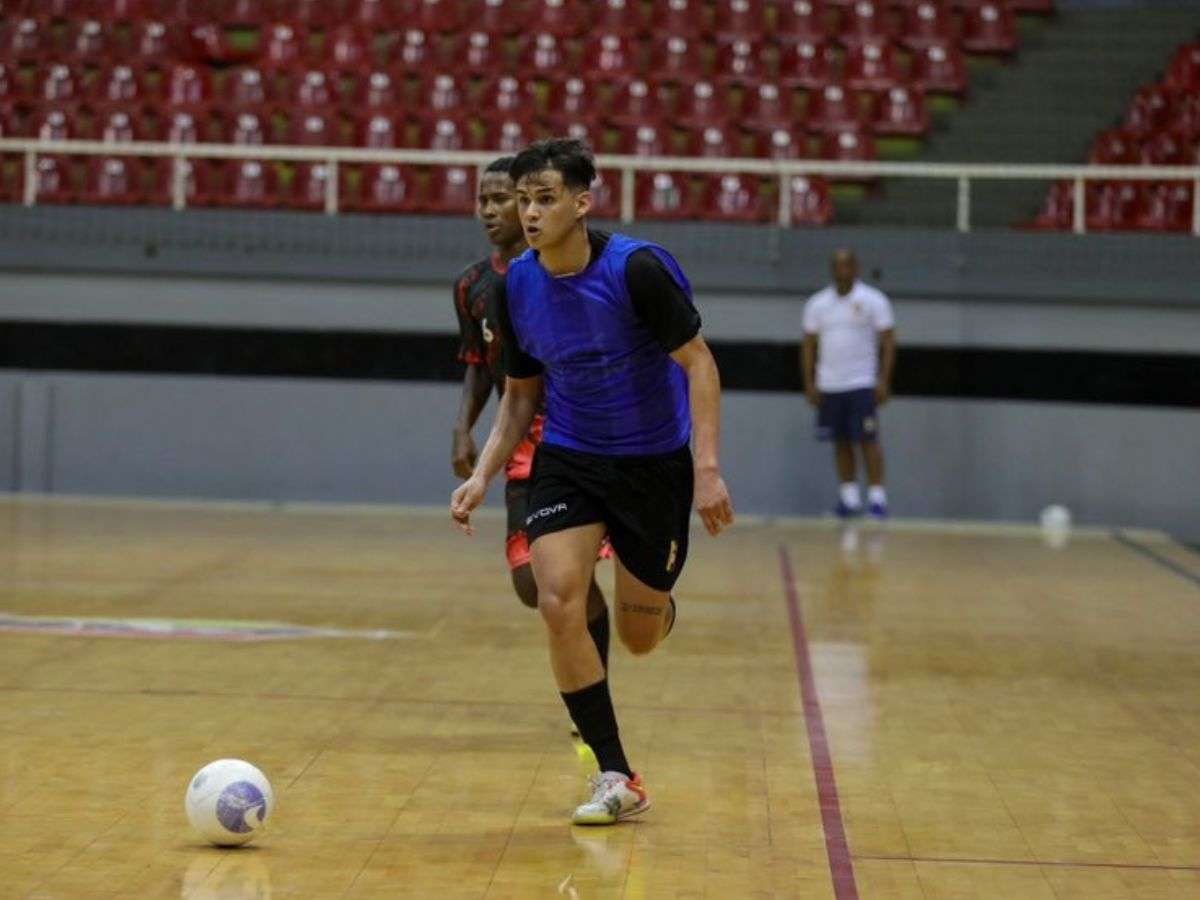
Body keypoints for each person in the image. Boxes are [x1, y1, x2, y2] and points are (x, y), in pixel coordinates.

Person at [451, 139, 734, 825]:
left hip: (652, 466)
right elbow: (520, 395)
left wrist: (707, 471)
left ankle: (655, 603)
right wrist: (484, 474)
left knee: (638, 635)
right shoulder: (515, 283)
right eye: (524, 199)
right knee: (556, 599)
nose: (531, 211)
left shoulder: (636, 270)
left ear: (583, 202)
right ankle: (616, 773)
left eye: (546, 197)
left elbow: (700, 365)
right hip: (571, 457)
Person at [450, 156, 611, 661]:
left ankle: (591, 688)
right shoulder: (473, 286)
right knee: (531, 583)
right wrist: (463, 429)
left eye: (503, 199)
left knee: (575, 584)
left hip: (584, 436)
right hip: (520, 441)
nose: (490, 210)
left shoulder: (577, 269)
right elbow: (479, 362)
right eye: (484, 199)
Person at [801, 249, 896, 518]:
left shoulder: (873, 300)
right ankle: (849, 499)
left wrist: (884, 380)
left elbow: (888, 341)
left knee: (868, 439)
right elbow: (808, 345)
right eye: (837, 265)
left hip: (862, 383)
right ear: (832, 269)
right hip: (830, 384)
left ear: (856, 268)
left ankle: (878, 500)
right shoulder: (817, 304)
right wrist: (810, 382)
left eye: (847, 265)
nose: (842, 270)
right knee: (840, 441)